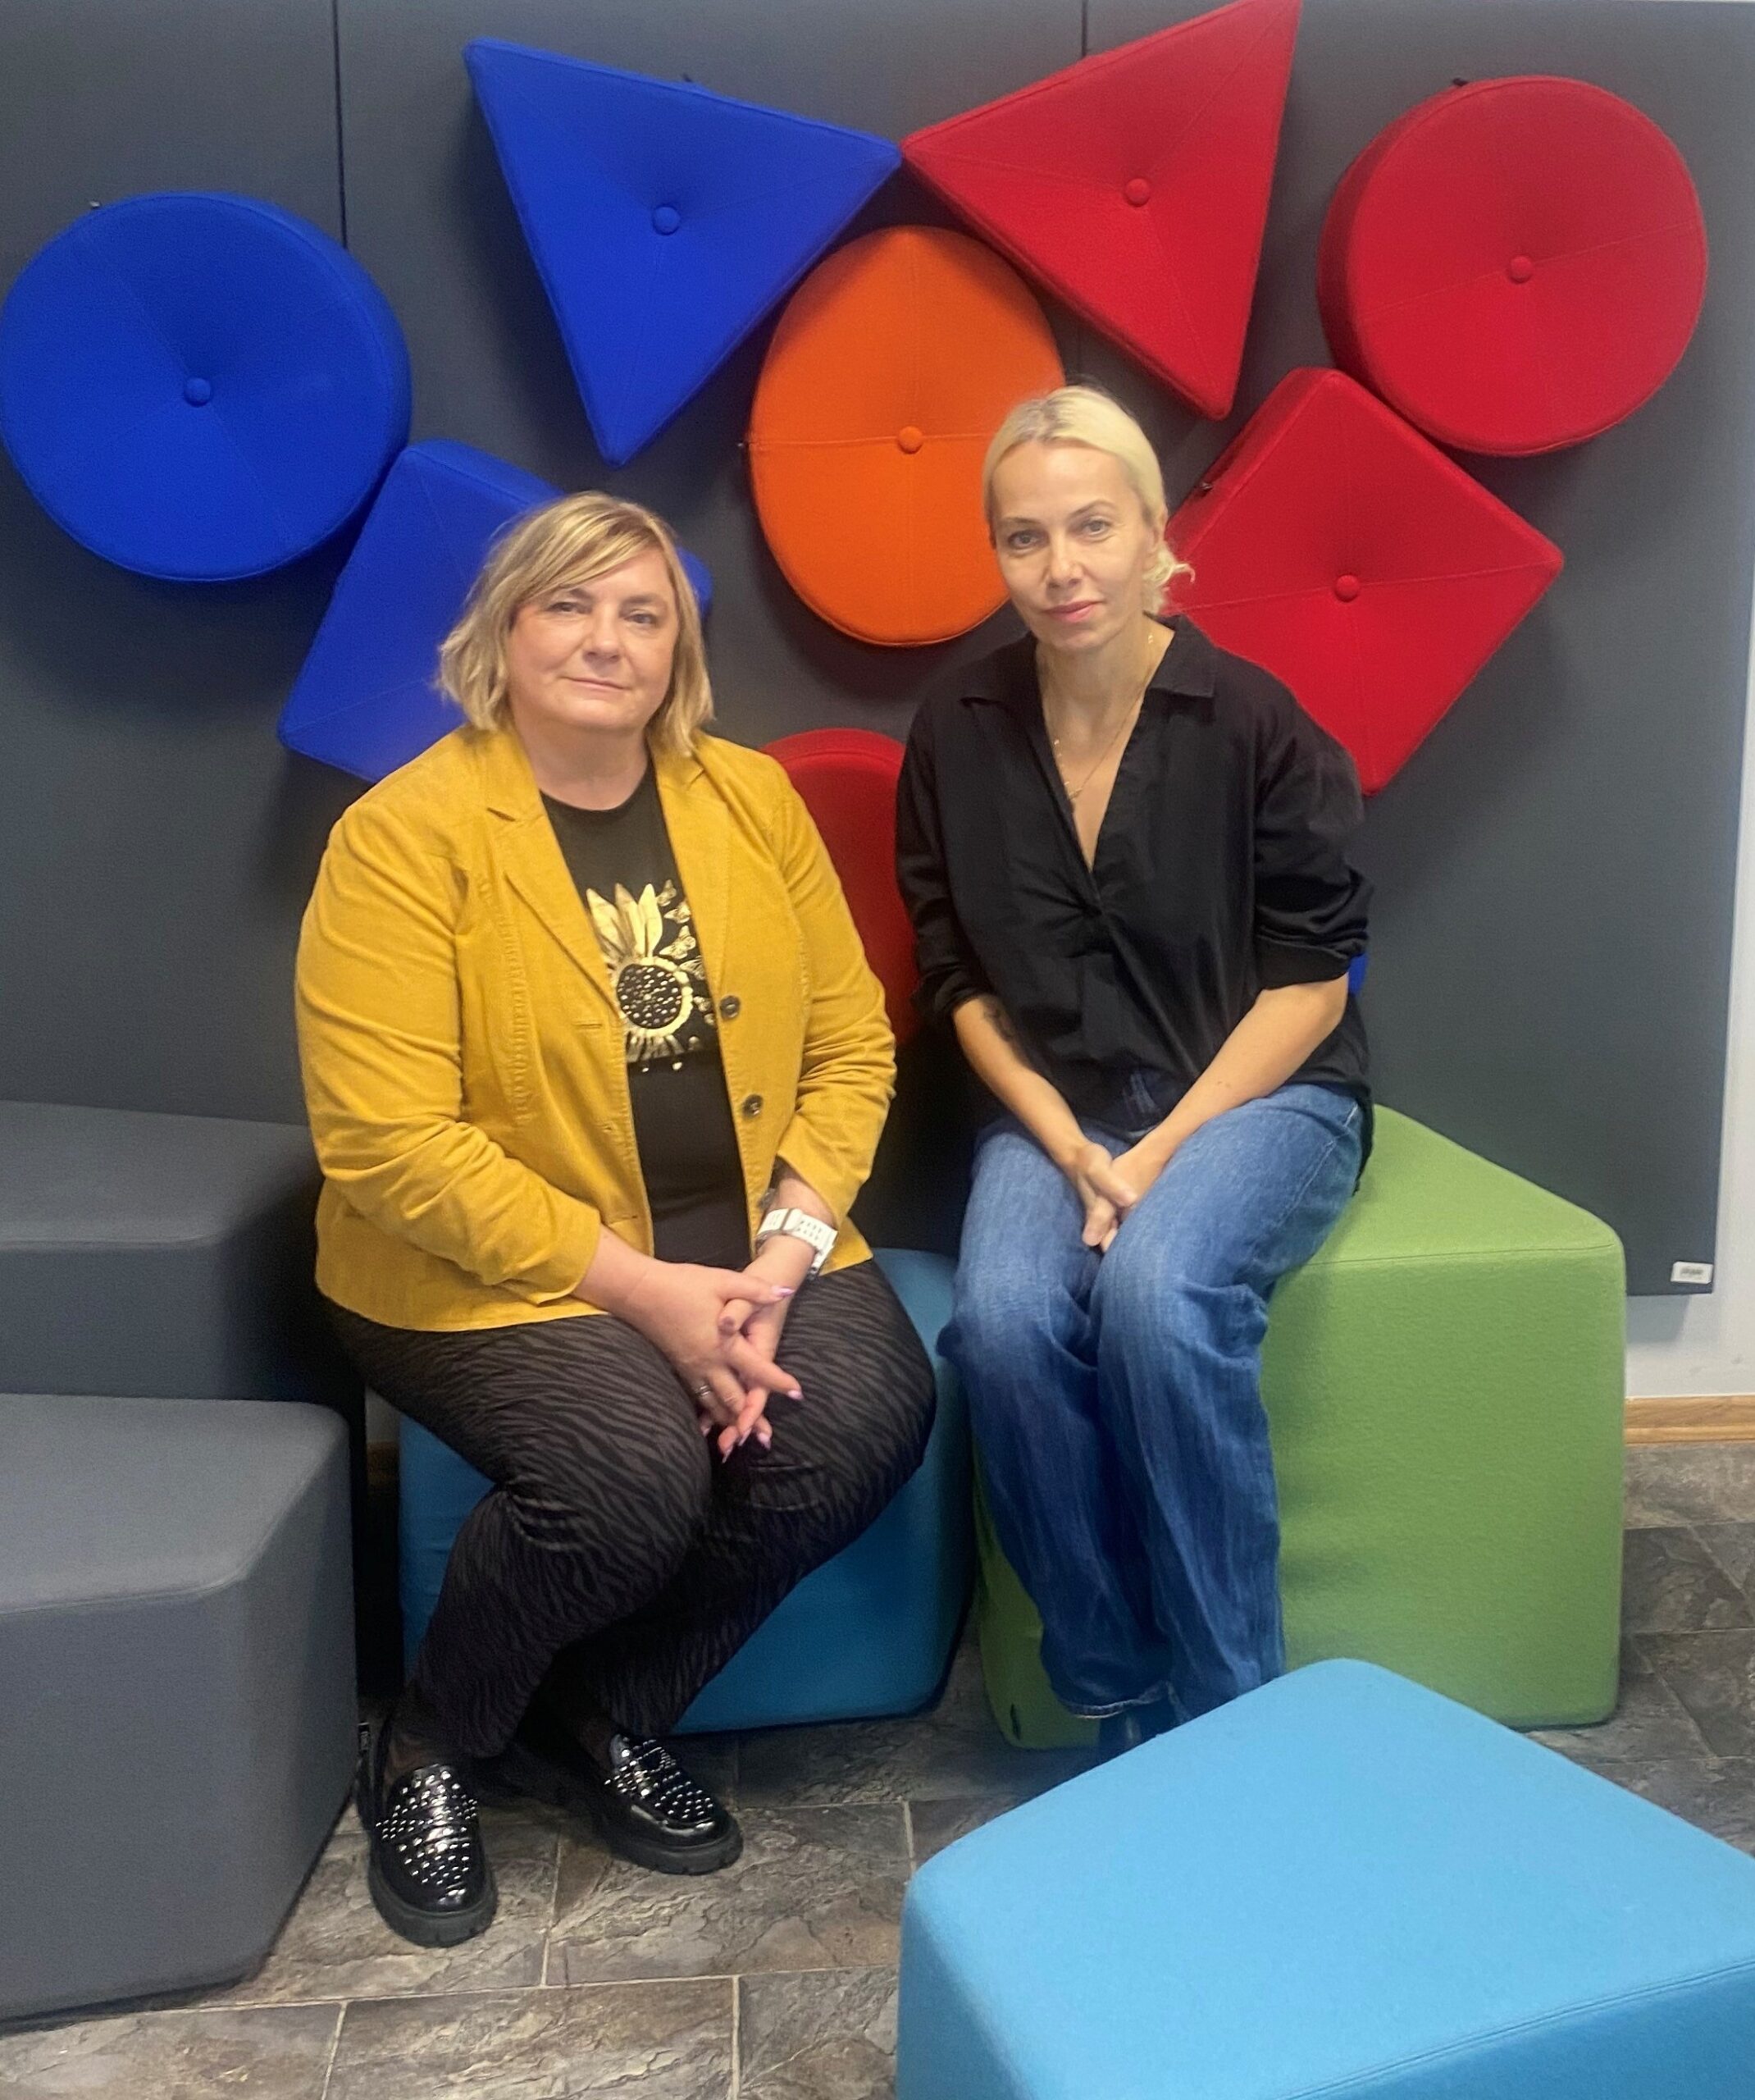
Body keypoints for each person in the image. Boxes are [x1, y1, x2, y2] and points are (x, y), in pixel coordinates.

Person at [297, 491, 934, 1947]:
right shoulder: (401, 839)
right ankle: (433, 1742)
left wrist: (781, 1259)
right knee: (632, 1473)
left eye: (643, 614)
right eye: (569, 605)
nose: (607, 639)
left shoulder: (751, 800)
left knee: (864, 1421)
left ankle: (599, 1707)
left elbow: (852, 1046)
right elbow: (388, 1142)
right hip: (490, 1269)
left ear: (678, 655)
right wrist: (647, 1294)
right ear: (502, 633)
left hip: (748, 1241)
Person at [896, 386, 1370, 1747]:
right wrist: (1062, 1140)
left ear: (1158, 534)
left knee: (1157, 1298)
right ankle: (1112, 1687)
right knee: (1000, 1322)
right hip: (1057, 1106)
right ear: (998, 554)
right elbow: (955, 975)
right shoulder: (957, 723)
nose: (1064, 567)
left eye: (1094, 526)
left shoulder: (1254, 721)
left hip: (1264, 1096)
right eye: (1026, 537)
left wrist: (1154, 1158)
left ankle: (1232, 1713)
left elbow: (1313, 978)